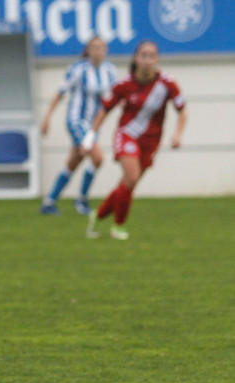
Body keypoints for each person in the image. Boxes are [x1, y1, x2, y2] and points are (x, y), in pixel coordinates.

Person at [84, 40, 186, 240]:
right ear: (136, 58)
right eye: (144, 55)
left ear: (157, 59)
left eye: (152, 56)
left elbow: (182, 110)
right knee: (131, 177)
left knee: (128, 184)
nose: (148, 60)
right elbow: (105, 109)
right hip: (127, 134)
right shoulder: (124, 84)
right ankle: (118, 226)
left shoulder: (166, 83)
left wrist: (178, 134)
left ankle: (98, 215)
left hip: (151, 141)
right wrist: (90, 135)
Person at [40, 37, 117, 216]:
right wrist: (47, 118)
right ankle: (81, 201)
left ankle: (49, 201)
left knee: (74, 162)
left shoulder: (109, 71)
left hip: (93, 125)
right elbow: (60, 93)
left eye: (101, 47)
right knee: (97, 158)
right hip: (76, 121)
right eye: (94, 47)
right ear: (88, 50)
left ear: (105, 50)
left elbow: (112, 98)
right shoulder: (77, 69)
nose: (97, 51)